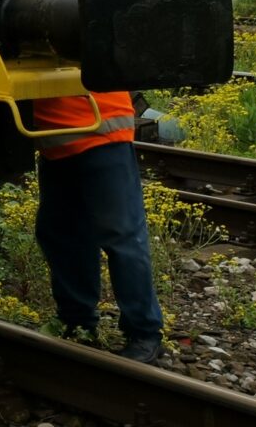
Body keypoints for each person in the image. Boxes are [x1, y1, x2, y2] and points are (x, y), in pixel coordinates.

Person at [32, 89, 164, 363]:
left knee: (121, 237)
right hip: (59, 142)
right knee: (62, 233)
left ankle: (144, 332)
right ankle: (77, 322)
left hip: (99, 131)